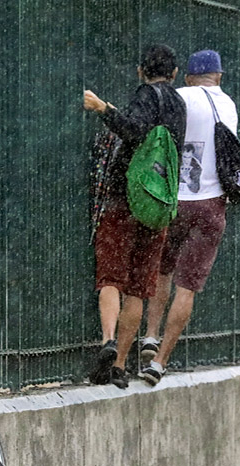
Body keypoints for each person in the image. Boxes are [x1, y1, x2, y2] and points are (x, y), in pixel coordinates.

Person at [82, 44, 186, 388]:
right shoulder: (178, 104)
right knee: (139, 288)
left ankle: (108, 341)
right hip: (158, 208)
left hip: (126, 199)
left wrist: (103, 108)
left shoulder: (145, 94)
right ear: (174, 74)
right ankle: (120, 366)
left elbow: (134, 131)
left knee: (111, 276)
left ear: (141, 70)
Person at [138, 49, 238, 386]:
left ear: (187, 76)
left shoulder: (180, 97)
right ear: (219, 77)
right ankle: (161, 362)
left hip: (175, 200)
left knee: (162, 269)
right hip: (212, 205)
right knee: (188, 287)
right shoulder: (229, 105)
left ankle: (150, 334)